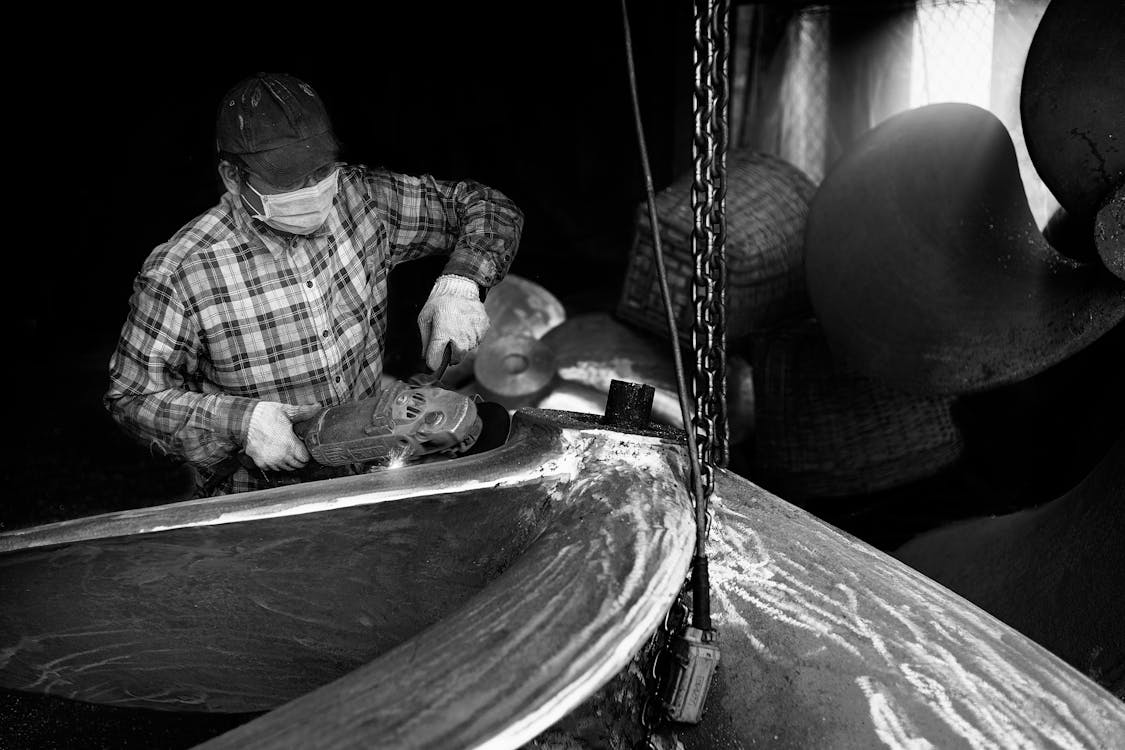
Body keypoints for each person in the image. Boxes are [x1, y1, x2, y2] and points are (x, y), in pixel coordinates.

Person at [105, 72, 524, 496]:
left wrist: (462, 281)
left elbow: (485, 205)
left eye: (320, 169)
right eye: (288, 179)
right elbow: (132, 398)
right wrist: (240, 422)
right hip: (263, 500)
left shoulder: (364, 201)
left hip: (376, 470)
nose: (312, 189)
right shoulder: (182, 271)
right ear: (233, 176)